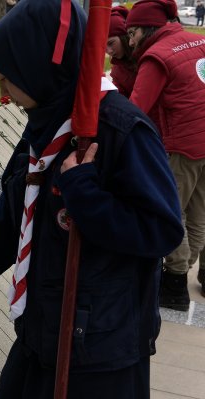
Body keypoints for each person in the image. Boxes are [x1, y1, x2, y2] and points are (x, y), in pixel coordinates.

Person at [0, 0, 184, 396]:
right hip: (40, 335)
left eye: (7, 78)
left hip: (99, 353)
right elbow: (11, 219)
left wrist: (83, 191)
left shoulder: (120, 131)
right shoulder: (45, 124)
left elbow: (161, 231)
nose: (2, 92)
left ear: (40, 68)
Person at [126, 0, 205, 312]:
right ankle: (186, 266)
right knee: (198, 214)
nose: (130, 40)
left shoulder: (157, 57)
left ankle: (174, 284)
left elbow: (134, 109)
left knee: (170, 214)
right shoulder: (198, 40)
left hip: (180, 148)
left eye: (132, 33)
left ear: (147, 28)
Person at [106, 6, 136, 98]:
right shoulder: (117, 72)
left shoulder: (149, 55)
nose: (109, 51)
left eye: (111, 43)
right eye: (103, 47)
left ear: (125, 36)